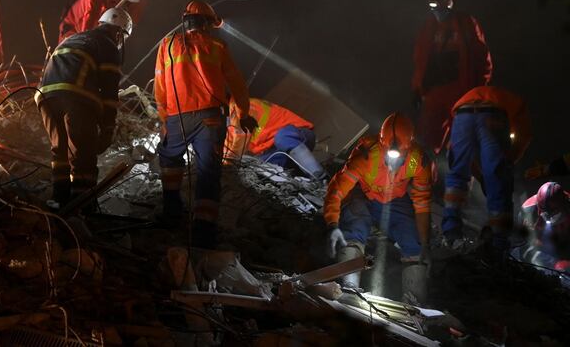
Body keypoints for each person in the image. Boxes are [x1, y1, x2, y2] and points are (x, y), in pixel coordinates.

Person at [153, 0, 257, 248]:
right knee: (209, 171)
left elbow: (160, 85)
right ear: (207, 23)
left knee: (169, 159)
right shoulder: (218, 45)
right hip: (211, 117)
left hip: (178, 116)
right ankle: (204, 230)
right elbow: (237, 83)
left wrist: (165, 118)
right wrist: (242, 113)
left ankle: (171, 212)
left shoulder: (167, 46)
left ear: (185, 19)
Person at [324, 112, 434, 303]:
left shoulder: (417, 160)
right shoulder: (367, 155)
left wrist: (424, 242)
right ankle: (348, 290)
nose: (393, 158)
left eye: (399, 153)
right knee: (356, 229)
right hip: (363, 195)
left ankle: (416, 307)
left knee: (413, 242)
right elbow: (337, 190)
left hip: (394, 200)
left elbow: (422, 201)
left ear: (409, 146)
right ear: (382, 143)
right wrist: (332, 224)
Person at [37, 8, 132, 208]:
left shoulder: (76, 38)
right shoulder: (107, 45)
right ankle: (84, 205)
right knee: (83, 153)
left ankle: (59, 198)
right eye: (122, 37)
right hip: (75, 97)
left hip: (45, 97)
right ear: (118, 32)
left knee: (60, 150)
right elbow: (109, 92)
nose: (120, 42)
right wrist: (107, 127)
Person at [441, 86, 531, 254]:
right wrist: (509, 161)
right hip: (492, 114)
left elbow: (456, 158)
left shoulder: (500, 97)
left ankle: (451, 234)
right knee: (498, 180)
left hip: (462, 114)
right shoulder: (515, 107)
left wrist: (482, 176)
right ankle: (500, 243)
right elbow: (524, 136)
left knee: (457, 178)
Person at [411, 0, 492, 153]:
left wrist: (477, 93)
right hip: (434, 92)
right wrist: (417, 88)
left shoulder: (466, 23)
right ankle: (424, 176)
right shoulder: (428, 27)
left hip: (461, 93)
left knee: (462, 143)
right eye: (432, 0)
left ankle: (461, 177)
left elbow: (483, 59)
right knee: (426, 142)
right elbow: (420, 59)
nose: (436, 5)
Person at [223, 97, 324, 179]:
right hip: (275, 152)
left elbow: (238, 142)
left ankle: (320, 178)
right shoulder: (227, 131)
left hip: (297, 135)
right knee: (256, 168)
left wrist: (228, 167)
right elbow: (227, 155)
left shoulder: (240, 106)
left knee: (282, 138)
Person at [519, 182, 570, 272]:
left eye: (554, 211)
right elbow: (529, 241)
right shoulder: (528, 211)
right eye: (545, 212)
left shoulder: (567, 204)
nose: (549, 217)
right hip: (543, 245)